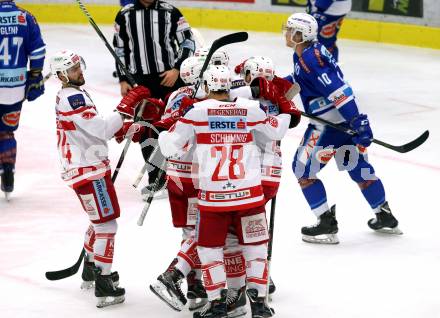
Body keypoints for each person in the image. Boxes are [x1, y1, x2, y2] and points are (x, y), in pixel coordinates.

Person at [158, 65, 300, 318]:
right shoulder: (250, 109)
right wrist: (283, 103)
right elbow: (279, 129)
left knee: (210, 250)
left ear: (208, 87)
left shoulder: (197, 112)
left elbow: (169, 147)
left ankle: (218, 304)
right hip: (250, 197)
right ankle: (259, 305)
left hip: (214, 200)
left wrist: (171, 122)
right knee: (256, 249)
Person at [282, 13, 401, 244]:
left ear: (301, 34)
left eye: (290, 30)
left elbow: (339, 91)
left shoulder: (310, 58)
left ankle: (325, 222)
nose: (286, 34)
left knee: (302, 170)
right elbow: (300, 80)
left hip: (326, 127)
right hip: (342, 126)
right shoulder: (305, 54)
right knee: (358, 169)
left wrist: (359, 120)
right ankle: (384, 215)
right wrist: (276, 87)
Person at [50, 49, 151, 307]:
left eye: (79, 66)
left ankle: (92, 266)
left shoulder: (73, 93)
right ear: (62, 75)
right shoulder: (71, 97)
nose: (79, 71)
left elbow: (92, 128)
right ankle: (104, 284)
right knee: (107, 225)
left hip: (86, 167)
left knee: (99, 221)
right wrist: (126, 106)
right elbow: (102, 128)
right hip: (88, 170)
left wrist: (123, 127)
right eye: (73, 70)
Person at [113, 0, 195, 190]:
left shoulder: (171, 12)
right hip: (139, 82)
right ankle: (156, 177)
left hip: (170, 78)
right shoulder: (125, 15)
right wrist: (123, 79)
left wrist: (177, 69)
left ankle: (180, 174)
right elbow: (119, 49)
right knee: (145, 130)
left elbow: (188, 42)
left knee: (176, 126)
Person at [0, 0, 46, 200]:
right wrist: (35, 76)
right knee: (6, 132)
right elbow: (37, 50)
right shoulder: (26, 17)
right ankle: (7, 169)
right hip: (15, 89)